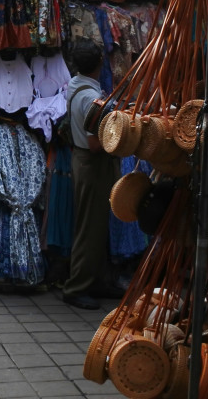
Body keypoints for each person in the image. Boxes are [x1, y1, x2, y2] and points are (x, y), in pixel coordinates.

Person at [61, 40, 120, 310]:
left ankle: (97, 280)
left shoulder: (77, 85)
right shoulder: (89, 97)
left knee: (96, 226)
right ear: (99, 63)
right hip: (92, 162)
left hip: (84, 161)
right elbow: (96, 143)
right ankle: (77, 287)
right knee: (90, 227)